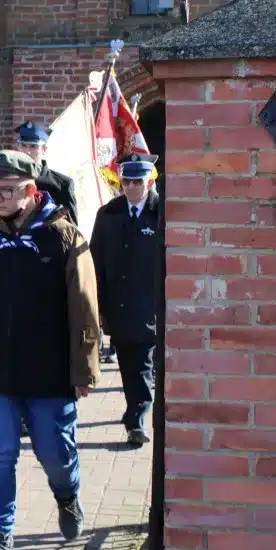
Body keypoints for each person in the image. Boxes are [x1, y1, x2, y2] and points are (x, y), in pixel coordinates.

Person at [0, 150, 101, 550]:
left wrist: (84, 368)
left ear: (31, 191)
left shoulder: (63, 236)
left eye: (7, 190)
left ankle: (67, 495)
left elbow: (85, 307)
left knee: (55, 453)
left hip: (49, 370)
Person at [90, 153, 160, 446]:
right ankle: (136, 415)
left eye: (137, 182)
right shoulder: (108, 214)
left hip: (151, 306)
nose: (131, 187)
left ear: (149, 182)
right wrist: (97, 306)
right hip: (118, 307)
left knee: (142, 365)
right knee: (130, 365)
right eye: (126, 181)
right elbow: (95, 262)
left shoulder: (161, 213)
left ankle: (137, 420)